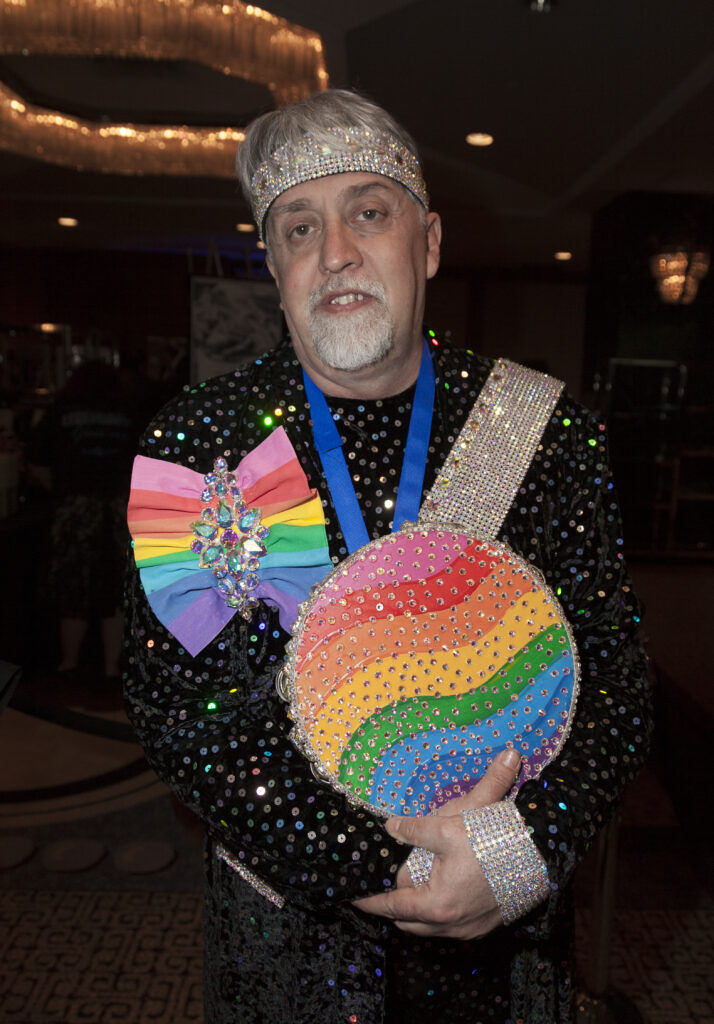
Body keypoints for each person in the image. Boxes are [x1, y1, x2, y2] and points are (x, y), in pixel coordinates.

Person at [124, 89, 651, 1023]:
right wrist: (398, 866)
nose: (335, 253)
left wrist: (519, 851)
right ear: (273, 261)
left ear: (431, 242)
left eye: (369, 211)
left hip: (506, 939)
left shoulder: (544, 430)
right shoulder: (202, 445)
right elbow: (187, 709)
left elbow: (614, 672)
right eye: (298, 227)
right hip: (289, 944)